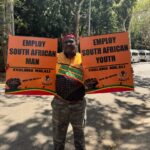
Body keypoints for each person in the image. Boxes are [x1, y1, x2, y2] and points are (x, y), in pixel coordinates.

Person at [51, 34, 86, 150]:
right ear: (62, 45)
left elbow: (101, 71)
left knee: (79, 136)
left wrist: (124, 70)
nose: (69, 44)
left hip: (78, 105)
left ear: (76, 43)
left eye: (71, 41)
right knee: (58, 138)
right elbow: (36, 68)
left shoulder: (84, 58)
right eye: (66, 42)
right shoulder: (54, 58)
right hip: (60, 104)